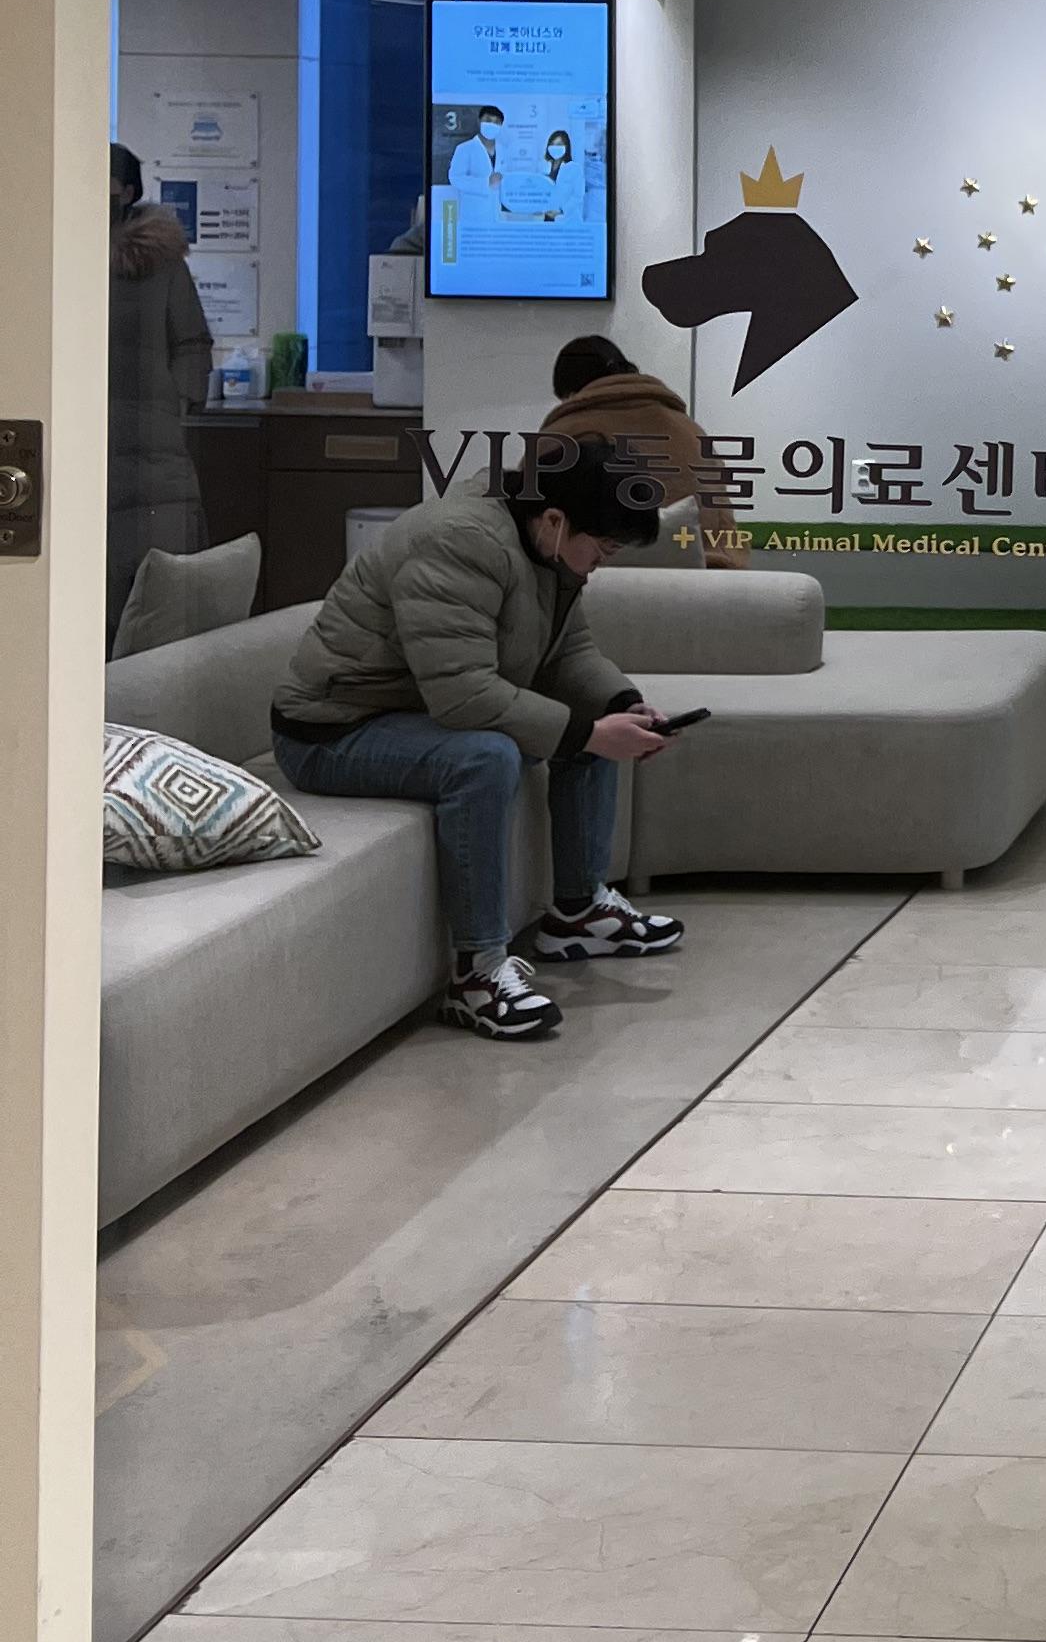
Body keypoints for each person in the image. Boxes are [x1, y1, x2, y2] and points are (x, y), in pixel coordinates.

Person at [270, 432, 686, 1041]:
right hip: (333, 730)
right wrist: (589, 734)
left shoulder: (543, 544)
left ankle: (577, 912)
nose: (603, 563)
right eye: (603, 549)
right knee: (488, 756)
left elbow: (569, 652)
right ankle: (477, 974)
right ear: (555, 520)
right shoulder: (460, 541)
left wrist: (622, 705)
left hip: (410, 712)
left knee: (591, 715)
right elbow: (461, 693)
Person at [107, 145, 213, 647]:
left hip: (152, 439)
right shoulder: (57, 248)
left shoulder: (159, 260)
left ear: (128, 191)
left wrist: (179, 404)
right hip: (80, 433)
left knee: (151, 578)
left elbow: (191, 341)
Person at [542, 332, 748, 562]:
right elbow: (724, 523)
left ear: (572, 393)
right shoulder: (691, 431)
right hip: (707, 574)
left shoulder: (566, 432)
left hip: (595, 575)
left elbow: (532, 523)